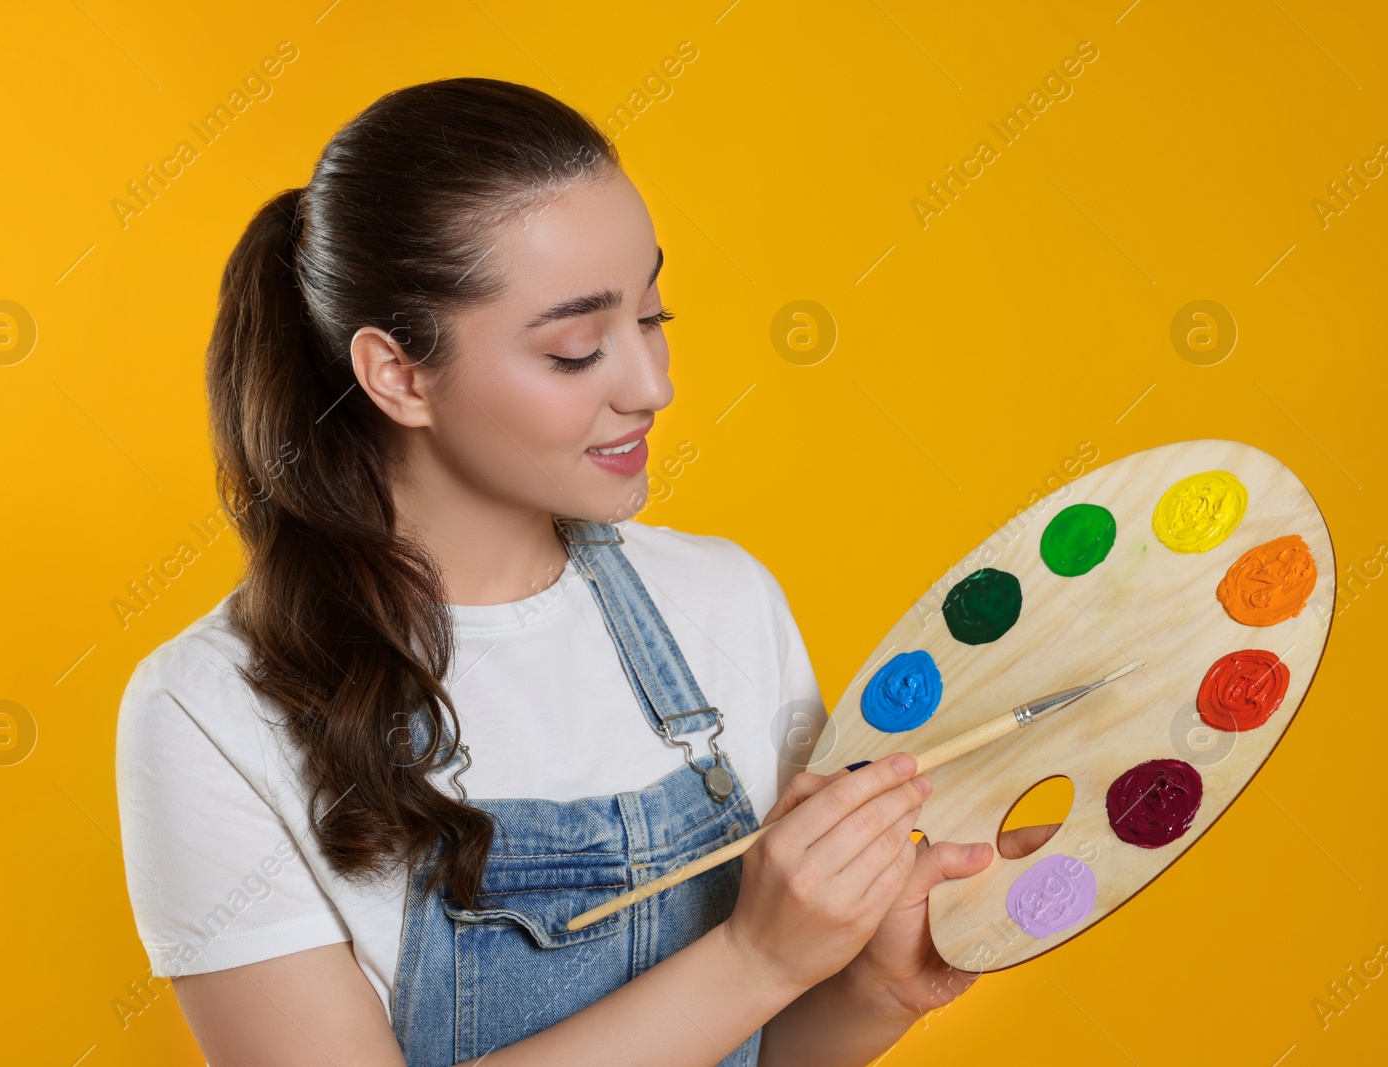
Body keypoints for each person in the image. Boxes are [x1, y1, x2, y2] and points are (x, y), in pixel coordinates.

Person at [114, 76, 1054, 1066]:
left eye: (652, 315)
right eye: (575, 348)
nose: (653, 386)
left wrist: (874, 987)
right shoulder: (210, 709)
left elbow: (762, 1055)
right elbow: (750, 979)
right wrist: (752, 958)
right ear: (399, 372)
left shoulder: (724, 603)